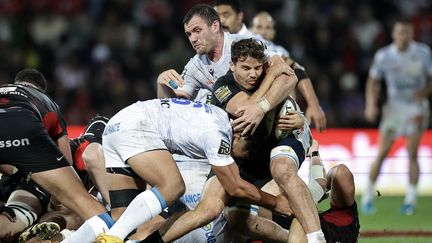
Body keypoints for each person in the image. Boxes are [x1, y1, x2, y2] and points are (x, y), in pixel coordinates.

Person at [67, 98, 290, 243]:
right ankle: (114, 238)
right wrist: (276, 202)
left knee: (120, 216)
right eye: (243, 154)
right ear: (241, 135)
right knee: (173, 186)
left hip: (118, 126)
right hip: (136, 126)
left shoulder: (214, 116)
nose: (236, 157)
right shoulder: (220, 134)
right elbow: (234, 185)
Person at [0, 69, 114, 241]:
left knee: (10, 220)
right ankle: (120, 235)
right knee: (84, 205)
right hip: (26, 132)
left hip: (25, 187)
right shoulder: (46, 101)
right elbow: (66, 159)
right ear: (41, 88)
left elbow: (8, 164)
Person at [213, 0, 327, 132]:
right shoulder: (213, 43)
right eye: (217, 16)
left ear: (240, 17)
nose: (221, 20)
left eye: (226, 15)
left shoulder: (253, 41)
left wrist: (313, 103)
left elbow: (293, 68)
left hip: (267, 118)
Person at [361, 19, 432, 215]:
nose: (404, 36)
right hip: (394, 108)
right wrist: (370, 105)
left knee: (412, 152)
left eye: (407, 32)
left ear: (412, 34)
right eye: (400, 32)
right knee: (383, 152)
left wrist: (424, 92)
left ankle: (411, 199)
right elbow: (373, 82)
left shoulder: (423, 53)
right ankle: (367, 196)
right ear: (394, 34)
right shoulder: (384, 56)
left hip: (417, 107)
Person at [236, 139, 360, 243]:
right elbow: (340, 173)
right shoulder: (346, 221)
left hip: (291, 229)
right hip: (335, 231)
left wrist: (310, 198)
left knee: (242, 216)